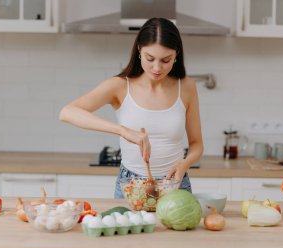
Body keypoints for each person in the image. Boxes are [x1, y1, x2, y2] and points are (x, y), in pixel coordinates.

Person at [59, 17, 203, 199]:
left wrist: (185, 163)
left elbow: (197, 144)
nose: (157, 68)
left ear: (176, 55)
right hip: (132, 185)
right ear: (139, 51)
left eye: (166, 60)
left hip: (175, 185)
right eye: (150, 58)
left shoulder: (187, 86)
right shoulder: (119, 86)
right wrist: (122, 131)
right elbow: (67, 112)